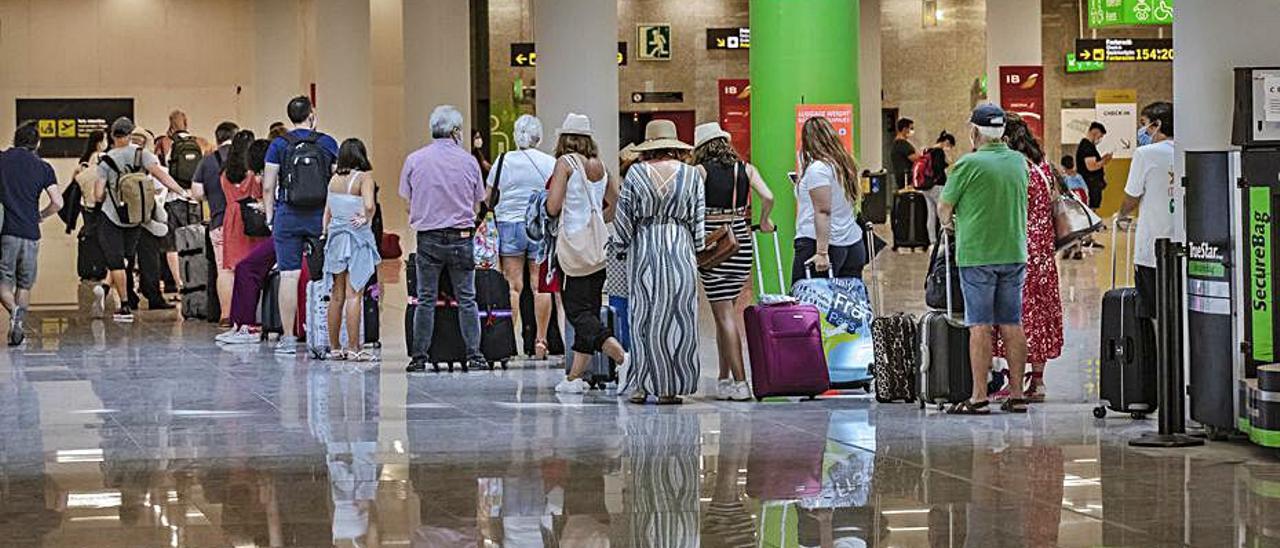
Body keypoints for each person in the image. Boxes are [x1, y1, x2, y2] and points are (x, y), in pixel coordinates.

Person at [937, 103, 1029, 414]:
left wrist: (950, 224)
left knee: (980, 325)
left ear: (975, 131)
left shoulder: (968, 164)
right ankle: (1017, 393)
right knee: (1011, 322)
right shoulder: (1019, 162)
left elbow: (944, 208)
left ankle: (979, 396)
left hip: (977, 255)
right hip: (1014, 252)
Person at [612, 119, 702, 404]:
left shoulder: (636, 174)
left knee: (643, 317)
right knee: (680, 316)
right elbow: (698, 219)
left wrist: (620, 245)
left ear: (648, 147)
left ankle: (640, 385)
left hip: (645, 248)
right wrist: (697, 247)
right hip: (681, 248)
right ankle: (670, 388)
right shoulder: (692, 175)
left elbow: (623, 218)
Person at [401, 105, 489, 373]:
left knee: (425, 298)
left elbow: (407, 201)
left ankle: (419, 357)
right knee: (467, 298)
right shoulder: (469, 161)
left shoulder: (415, 160)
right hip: (461, 237)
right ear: (455, 132)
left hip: (427, 238)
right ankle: (474, 355)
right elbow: (479, 202)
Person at [545, 113, 629, 395]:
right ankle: (574, 378)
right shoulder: (601, 167)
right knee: (590, 311)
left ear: (564, 139)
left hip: (573, 250)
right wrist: (596, 222)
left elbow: (553, 206)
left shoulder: (565, 164)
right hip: (598, 249)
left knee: (578, 313)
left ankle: (622, 358)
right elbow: (617, 204)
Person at [692, 122, 775, 401]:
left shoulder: (699, 171)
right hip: (740, 238)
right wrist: (763, 221)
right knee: (725, 311)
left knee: (724, 314)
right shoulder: (746, 169)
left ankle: (740, 382)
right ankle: (724, 379)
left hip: (714, 242)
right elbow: (769, 196)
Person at [993, 116, 1063, 403]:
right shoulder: (1042, 166)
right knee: (1041, 313)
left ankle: (1014, 381)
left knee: (1016, 316)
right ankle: (1038, 380)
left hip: (1019, 249)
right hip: (1044, 253)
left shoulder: (1014, 167)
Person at [262, 96, 339, 354]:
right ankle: (326, 334)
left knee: (289, 275)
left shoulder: (279, 145)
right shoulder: (327, 143)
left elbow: (268, 185)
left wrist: (270, 216)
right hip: (321, 216)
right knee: (325, 276)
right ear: (312, 114)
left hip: (288, 214)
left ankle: (287, 338)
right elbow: (337, 182)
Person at [94, 117, 188, 322]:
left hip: (113, 215)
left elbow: (98, 194)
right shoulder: (142, 154)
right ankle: (137, 294)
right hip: (138, 216)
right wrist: (181, 191)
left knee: (117, 261)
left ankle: (125, 304)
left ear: (112, 135)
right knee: (130, 256)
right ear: (129, 135)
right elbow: (162, 177)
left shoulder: (105, 160)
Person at [487, 114, 556, 360]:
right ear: (539, 137)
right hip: (538, 224)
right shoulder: (550, 162)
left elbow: (488, 196)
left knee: (513, 286)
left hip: (509, 224)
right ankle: (541, 341)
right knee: (540, 286)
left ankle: (508, 341)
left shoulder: (503, 160)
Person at [0, 123, 63, 345]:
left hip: (6, 232)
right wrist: (40, 215)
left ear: (16, 139)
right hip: (30, 233)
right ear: (37, 143)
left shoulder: (2, 159)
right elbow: (58, 202)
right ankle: (18, 326)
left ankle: (14, 313)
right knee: (24, 284)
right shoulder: (44, 167)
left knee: (3, 280)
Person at [320, 139, 382, 361]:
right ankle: (354, 348)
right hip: (356, 239)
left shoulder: (334, 179)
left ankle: (335, 347)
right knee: (354, 294)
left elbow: (326, 213)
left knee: (336, 296)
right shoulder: (364, 177)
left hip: (336, 238)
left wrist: (328, 232)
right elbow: (368, 205)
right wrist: (366, 216)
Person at [1119, 101, 1177, 320]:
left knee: (1153, 311)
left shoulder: (1145, 153)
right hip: (1181, 244)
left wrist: (1122, 214)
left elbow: (1131, 197)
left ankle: (1157, 353)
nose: (1142, 131)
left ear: (1157, 124)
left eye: (1144, 124)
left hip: (1151, 249)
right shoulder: (1187, 149)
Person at [216, 139, 277, 345]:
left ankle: (235, 320)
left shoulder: (224, 174)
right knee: (247, 268)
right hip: (258, 225)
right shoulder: (257, 177)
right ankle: (244, 324)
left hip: (232, 220)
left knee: (231, 269)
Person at [792, 116, 865, 283]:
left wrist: (822, 253)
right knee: (847, 304)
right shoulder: (845, 164)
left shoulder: (818, 169)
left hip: (820, 244)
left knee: (809, 305)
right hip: (852, 242)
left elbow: (823, 211)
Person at [191, 121, 239, 324]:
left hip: (219, 221)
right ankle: (245, 315)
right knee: (244, 268)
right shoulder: (242, 158)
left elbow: (197, 193)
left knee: (224, 269)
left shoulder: (207, 161)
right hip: (242, 222)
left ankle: (225, 315)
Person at [921, 131, 956, 244]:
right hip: (937, 186)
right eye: (950, 145)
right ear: (946, 142)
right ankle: (943, 239)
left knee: (931, 214)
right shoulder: (939, 151)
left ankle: (932, 240)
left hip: (926, 186)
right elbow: (939, 167)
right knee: (942, 212)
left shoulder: (928, 150)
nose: (950, 148)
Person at [1075, 121, 1112, 209]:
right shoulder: (1087, 147)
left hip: (1092, 184)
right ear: (1095, 132)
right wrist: (1104, 161)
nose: (1100, 139)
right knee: (1091, 210)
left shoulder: (1089, 146)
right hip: (1090, 185)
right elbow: (1091, 167)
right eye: (1100, 136)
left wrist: (1102, 159)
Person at [889, 117, 919, 192]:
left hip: (901, 180)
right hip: (906, 181)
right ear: (905, 129)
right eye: (911, 128)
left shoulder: (896, 144)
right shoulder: (902, 144)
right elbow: (915, 158)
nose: (912, 131)